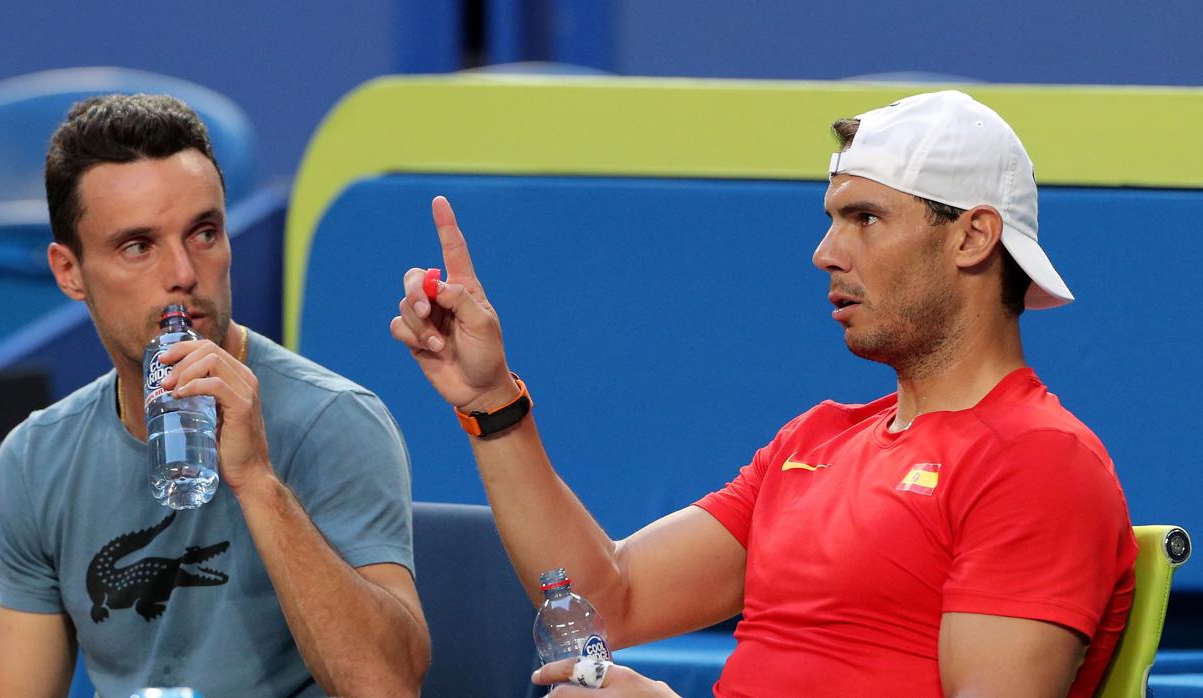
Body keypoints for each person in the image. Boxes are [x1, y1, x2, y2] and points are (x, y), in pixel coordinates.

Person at [390, 90, 1136, 697]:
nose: (825, 253)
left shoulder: (1040, 462)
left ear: (972, 238)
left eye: (865, 219)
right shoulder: (815, 442)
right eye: (832, 220)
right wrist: (492, 403)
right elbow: (608, 599)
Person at [0, 94, 428, 698]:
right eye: (138, 246)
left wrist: (256, 481)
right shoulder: (38, 459)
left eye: (204, 233)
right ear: (69, 272)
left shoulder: (333, 421)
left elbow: (388, 686)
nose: (184, 273)